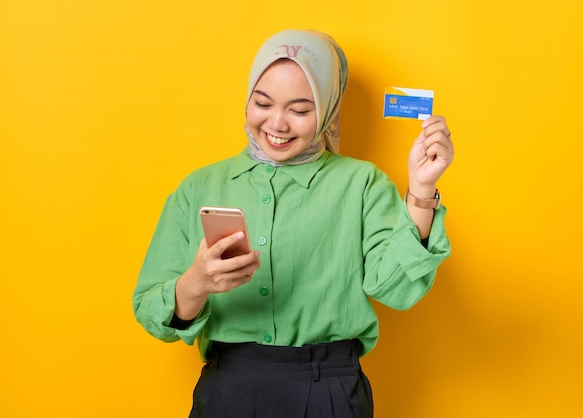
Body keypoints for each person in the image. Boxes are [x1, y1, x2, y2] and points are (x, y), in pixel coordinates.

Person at [133, 29, 454, 418]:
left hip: (330, 391)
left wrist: (421, 189)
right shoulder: (199, 187)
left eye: (300, 110)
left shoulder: (362, 183)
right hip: (227, 391)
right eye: (262, 103)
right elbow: (151, 312)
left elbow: (398, 290)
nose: (277, 124)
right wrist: (196, 283)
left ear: (328, 108)